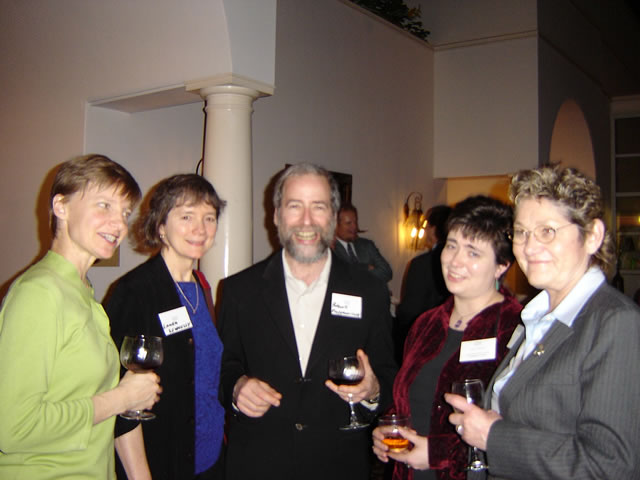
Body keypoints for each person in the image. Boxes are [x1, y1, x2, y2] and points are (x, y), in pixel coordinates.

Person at [447, 166, 640, 479]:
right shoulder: (535, 317)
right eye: (522, 232)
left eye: (547, 231)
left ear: (593, 236)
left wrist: (495, 437)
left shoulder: (615, 321)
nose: (529, 247)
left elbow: (611, 465)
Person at [218, 163, 397, 480]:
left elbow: (387, 373)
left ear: (333, 216)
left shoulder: (370, 291)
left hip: (339, 465)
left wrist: (373, 390)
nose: (306, 220)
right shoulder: (239, 291)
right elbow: (223, 365)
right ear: (276, 215)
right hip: (258, 464)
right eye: (294, 206)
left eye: (318, 207)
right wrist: (237, 386)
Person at [0, 154, 161, 479]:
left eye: (125, 212)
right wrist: (120, 398)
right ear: (61, 206)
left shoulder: (83, 293)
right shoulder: (39, 293)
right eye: (104, 206)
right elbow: (12, 427)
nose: (119, 224)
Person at [372, 195, 522, 480]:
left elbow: (520, 434)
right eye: (451, 245)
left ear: (502, 265)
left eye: (473, 253)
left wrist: (439, 453)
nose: (455, 261)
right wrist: (389, 426)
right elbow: (409, 398)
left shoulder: (516, 330)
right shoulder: (426, 324)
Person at [104, 174, 226, 480]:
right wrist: (140, 475)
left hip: (210, 457)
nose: (200, 229)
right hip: (160, 461)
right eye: (187, 216)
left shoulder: (202, 288)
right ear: (160, 226)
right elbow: (118, 396)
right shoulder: (134, 292)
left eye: (209, 218)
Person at [395, 205, 452, 360]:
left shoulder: (421, 264)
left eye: (426, 225)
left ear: (433, 230)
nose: (424, 230)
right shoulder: (461, 262)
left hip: (424, 340)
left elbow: (410, 310)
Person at [332, 203, 393, 283]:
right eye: (349, 223)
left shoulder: (367, 245)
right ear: (336, 225)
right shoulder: (331, 249)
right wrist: (366, 268)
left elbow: (386, 272)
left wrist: (358, 274)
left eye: (355, 222)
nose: (354, 226)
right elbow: (342, 277)